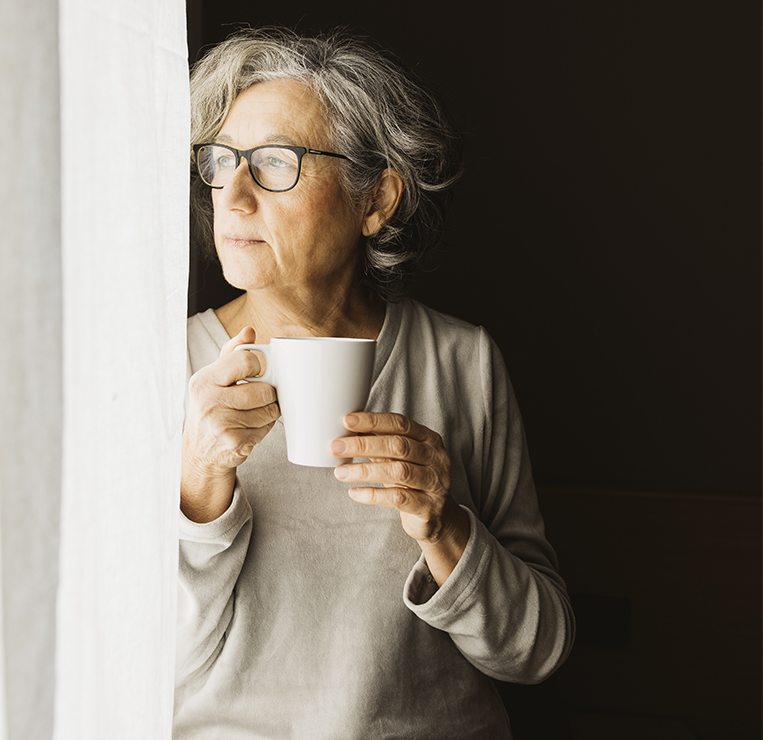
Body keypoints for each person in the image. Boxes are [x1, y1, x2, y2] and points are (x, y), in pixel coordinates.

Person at [176, 28, 573, 739]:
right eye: (220, 161)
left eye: (274, 164)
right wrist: (200, 493)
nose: (230, 195)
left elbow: (535, 651)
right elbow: (135, 664)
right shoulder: (169, 367)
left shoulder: (463, 362)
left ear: (375, 201)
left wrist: (444, 524)